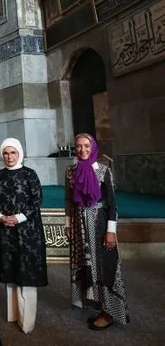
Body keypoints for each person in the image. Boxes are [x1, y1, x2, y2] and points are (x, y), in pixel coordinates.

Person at [65, 133, 128, 330]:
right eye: (78, 146)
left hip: (100, 224)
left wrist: (111, 231)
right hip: (79, 225)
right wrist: (68, 224)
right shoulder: (70, 171)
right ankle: (99, 306)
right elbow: (68, 200)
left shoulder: (103, 171)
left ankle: (110, 312)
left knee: (106, 266)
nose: (82, 150)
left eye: (86, 146)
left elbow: (112, 204)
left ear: (93, 148)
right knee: (86, 264)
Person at [0, 138, 47, 333]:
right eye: (6, 153)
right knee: (10, 271)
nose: (9, 157)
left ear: (19, 153)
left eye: (12, 153)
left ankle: (27, 322)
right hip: (4, 230)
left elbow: (37, 200)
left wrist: (18, 218)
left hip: (27, 232)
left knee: (26, 272)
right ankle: (14, 316)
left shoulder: (29, 174)